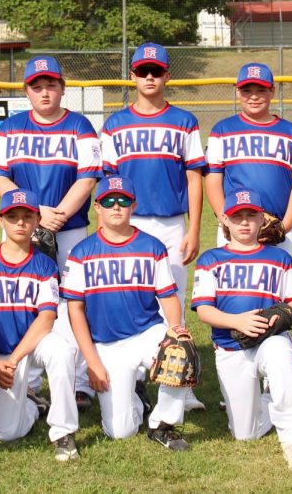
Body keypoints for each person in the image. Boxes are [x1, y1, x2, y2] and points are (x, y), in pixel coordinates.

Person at [0, 55, 102, 410]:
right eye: (36, 86)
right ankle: (32, 381)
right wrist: (37, 214)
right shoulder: (11, 127)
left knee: (75, 302)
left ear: (62, 88)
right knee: (25, 299)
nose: (44, 92)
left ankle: (80, 381)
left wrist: (58, 214)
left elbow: (88, 177)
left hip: (69, 227)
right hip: (24, 227)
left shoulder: (80, 126)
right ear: (26, 91)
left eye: (50, 85)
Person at [100, 43, 206, 412]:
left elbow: (195, 178)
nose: (149, 77)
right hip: (126, 223)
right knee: (131, 298)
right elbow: (107, 183)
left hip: (171, 222)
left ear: (166, 76)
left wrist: (193, 229)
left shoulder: (184, 120)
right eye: (142, 71)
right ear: (132, 76)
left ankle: (180, 380)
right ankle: (139, 375)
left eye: (156, 71)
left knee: (172, 299)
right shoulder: (114, 124)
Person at [63, 175, 192, 451]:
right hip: (107, 345)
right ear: (97, 207)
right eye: (108, 201)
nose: (116, 206)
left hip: (147, 332)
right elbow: (75, 311)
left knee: (180, 353)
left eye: (123, 200)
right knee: (119, 432)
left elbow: (168, 297)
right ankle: (137, 398)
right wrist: (92, 362)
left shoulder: (151, 246)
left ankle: (162, 424)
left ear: (133, 206)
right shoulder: (81, 252)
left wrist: (176, 329)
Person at [191, 188, 292, 471]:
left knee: (281, 354)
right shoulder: (211, 259)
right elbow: (204, 310)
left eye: (251, 216)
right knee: (245, 434)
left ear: (262, 220)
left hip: (269, 340)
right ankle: (281, 402)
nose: (244, 223)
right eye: (237, 217)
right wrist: (237, 321)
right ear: (225, 221)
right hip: (231, 344)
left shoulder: (279, 258)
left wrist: (282, 318)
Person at [0, 189, 80, 462]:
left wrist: (15, 359)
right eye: (12, 217)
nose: (20, 223)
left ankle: (63, 432)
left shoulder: (44, 265)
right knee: (8, 433)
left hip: (32, 344)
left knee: (62, 351)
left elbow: (46, 318)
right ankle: (31, 404)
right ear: (0, 221)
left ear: (37, 220)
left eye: (27, 217)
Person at [205, 62, 292, 259]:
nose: (253, 96)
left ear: (272, 91)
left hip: (279, 227)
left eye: (261, 90)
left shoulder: (291, 133)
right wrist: (225, 220)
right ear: (237, 92)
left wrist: (284, 227)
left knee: (279, 286)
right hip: (234, 224)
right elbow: (213, 179)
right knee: (232, 286)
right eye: (247, 90)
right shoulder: (222, 130)